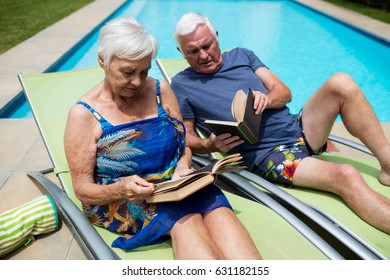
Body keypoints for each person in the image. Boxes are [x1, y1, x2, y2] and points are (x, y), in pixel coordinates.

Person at [171, 12, 390, 234]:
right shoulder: (182, 84)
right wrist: (209, 145)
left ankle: (387, 163)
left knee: (341, 83)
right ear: (182, 53)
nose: (204, 55)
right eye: (193, 51)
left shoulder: (242, 56)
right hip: (267, 156)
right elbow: (185, 136)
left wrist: (267, 99)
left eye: (207, 46)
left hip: (298, 130)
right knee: (346, 175)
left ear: (216, 37)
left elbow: (285, 92)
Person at [63, 16, 261, 260]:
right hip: (124, 200)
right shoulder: (83, 114)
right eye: (127, 72)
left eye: (144, 71)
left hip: (177, 185)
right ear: (102, 60)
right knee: (188, 221)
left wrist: (183, 166)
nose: (137, 82)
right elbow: (82, 189)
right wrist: (122, 189)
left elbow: (182, 144)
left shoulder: (159, 90)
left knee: (222, 216)